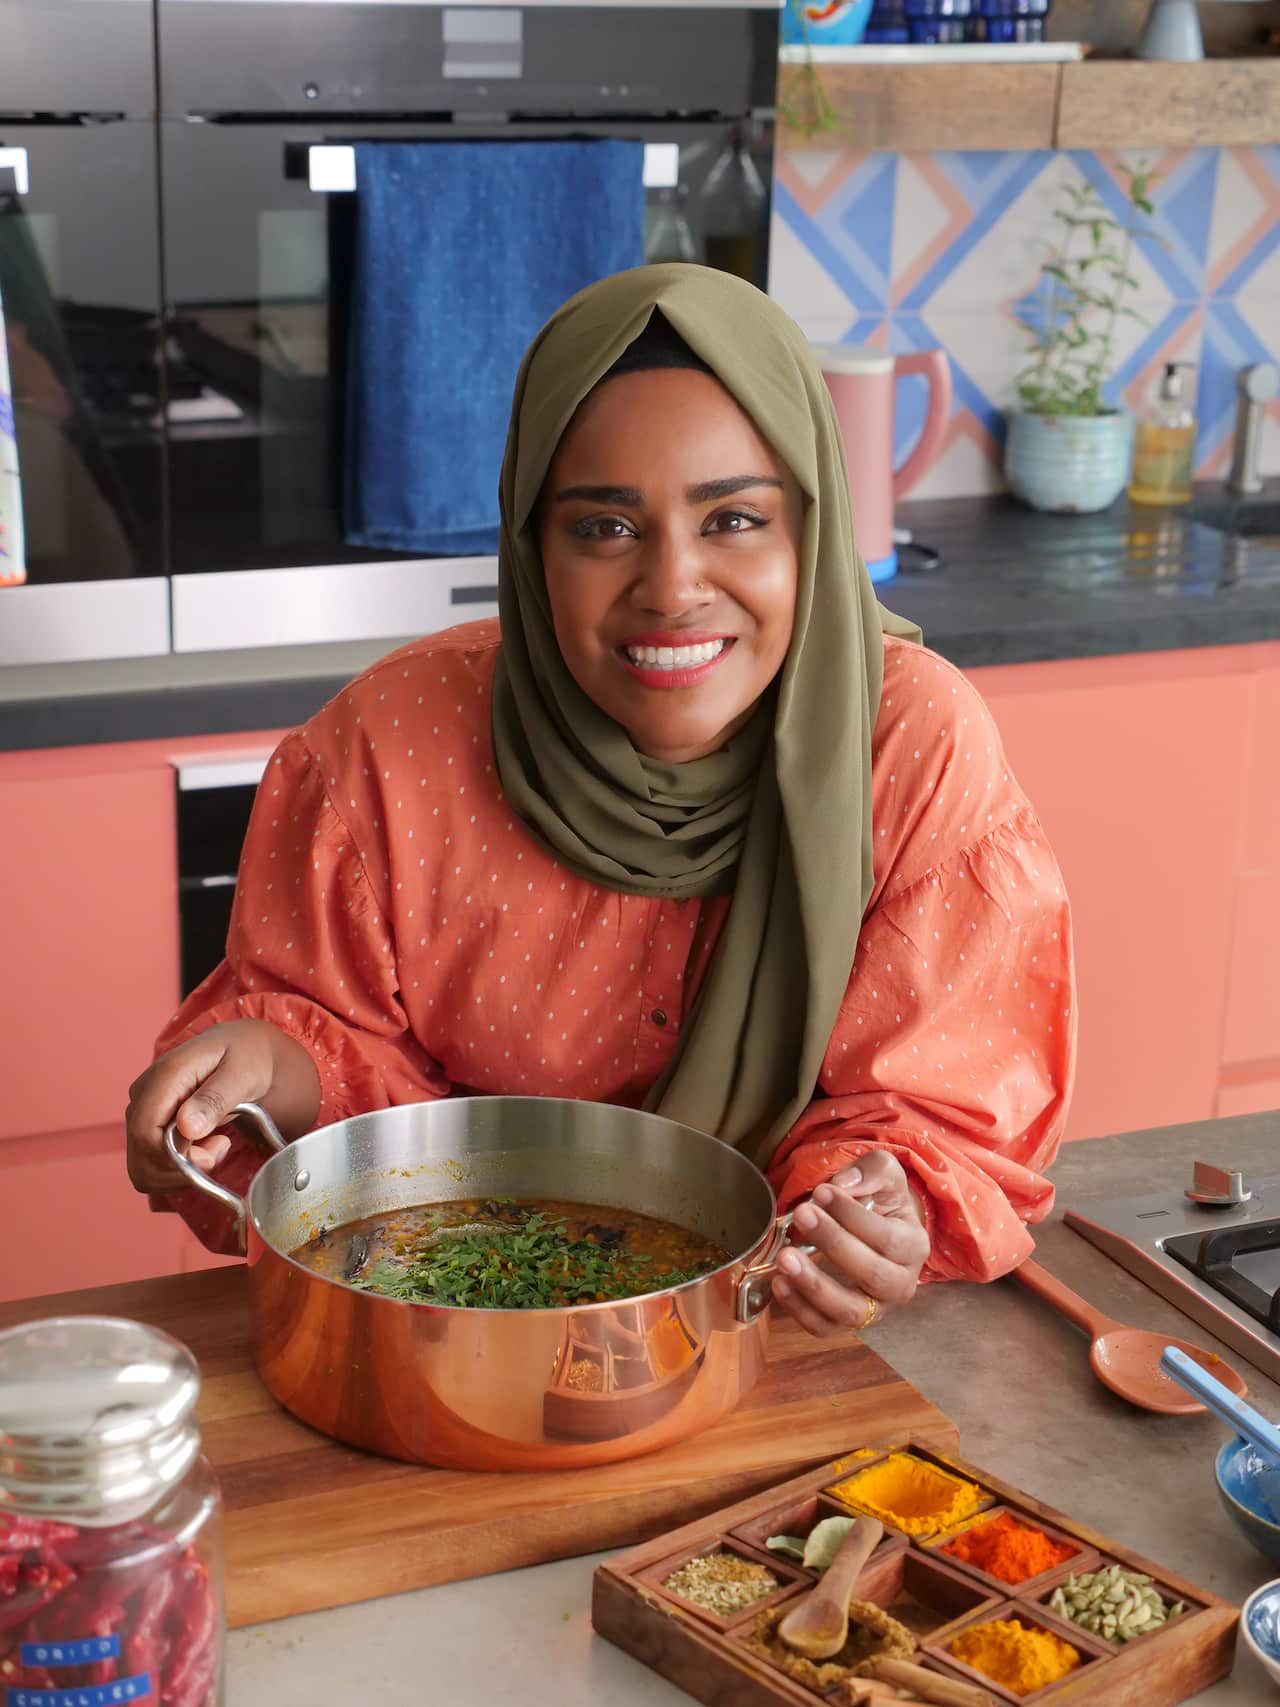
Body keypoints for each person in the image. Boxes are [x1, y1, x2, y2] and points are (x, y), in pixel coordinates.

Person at [126, 264, 1075, 1338]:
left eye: (732, 519)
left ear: (810, 533)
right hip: (444, 1333)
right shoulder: (381, 753)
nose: (672, 586)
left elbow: (933, 1099)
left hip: (776, 1344)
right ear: (529, 548)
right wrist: (258, 1069)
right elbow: (344, 1075)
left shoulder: (908, 744)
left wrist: (878, 1199)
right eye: (604, 530)